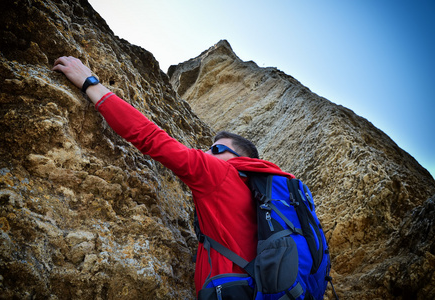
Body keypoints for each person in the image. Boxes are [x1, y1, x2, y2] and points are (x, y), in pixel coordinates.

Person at [52, 56, 294, 296]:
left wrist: (89, 83)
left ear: (240, 160)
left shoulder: (220, 174)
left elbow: (150, 137)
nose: (205, 152)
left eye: (217, 149)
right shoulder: (257, 199)